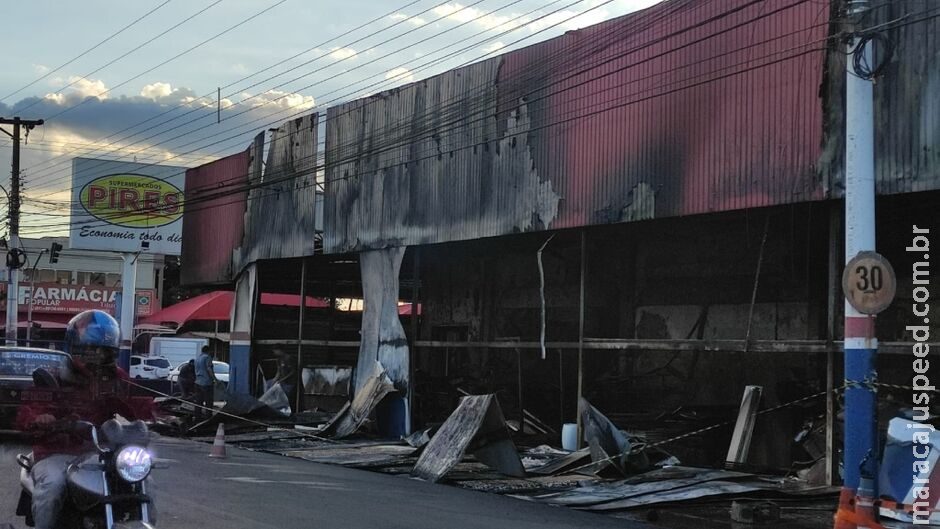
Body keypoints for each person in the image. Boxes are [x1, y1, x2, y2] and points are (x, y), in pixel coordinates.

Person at [16, 310, 140, 529]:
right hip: (55, 453)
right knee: (53, 487)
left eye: (103, 351)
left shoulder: (115, 377)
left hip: (98, 455)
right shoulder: (54, 374)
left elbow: (135, 404)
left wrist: (157, 416)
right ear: (75, 348)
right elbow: (29, 410)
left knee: (140, 481)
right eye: (91, 350)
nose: (97, 356)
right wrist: (41, 418)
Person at [194, 345, 217, 421]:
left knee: (198, 402)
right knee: (208, 402)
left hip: (197, 382)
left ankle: (197, 418)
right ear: (208, 351)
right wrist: (215, 379)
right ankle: (208, 419)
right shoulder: (207, 357)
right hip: (206, 383)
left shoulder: (197, 358)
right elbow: (209, 369)